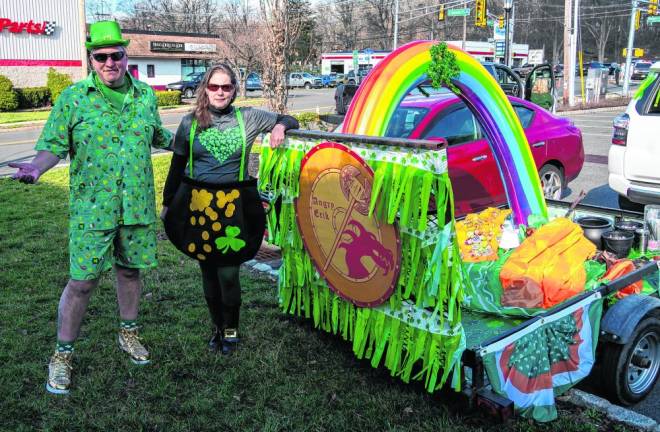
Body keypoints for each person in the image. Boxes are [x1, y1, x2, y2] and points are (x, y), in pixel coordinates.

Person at [9, 21, 172, 394]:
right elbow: (53, 144)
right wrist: (37, 166)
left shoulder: (145, 96)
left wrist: (199, 139)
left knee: (130, 273)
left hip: (135, 206)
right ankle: (62, 356)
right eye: (102, 56)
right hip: (92, 210)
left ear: (127, 56)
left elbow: (161, 136)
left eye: (117, 55)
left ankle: (128, 335)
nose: (110, 62)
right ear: (91, 59)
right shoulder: (74, 98)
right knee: (82, 282)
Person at [161, 63, 298, 354]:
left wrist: (280, 125)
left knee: (228, 274)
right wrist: (166, 204)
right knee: (208, 272)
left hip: (234, 207)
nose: (220, 92)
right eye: (214, 86)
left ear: (234, 89)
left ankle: (232, 329)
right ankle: (217, 328)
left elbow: (289, 118)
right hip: (200, 207)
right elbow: (176, 166)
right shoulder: (190, 122)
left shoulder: (248, 117)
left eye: (226, 87)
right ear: (205, 89)